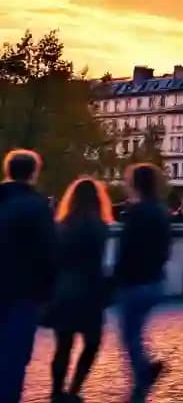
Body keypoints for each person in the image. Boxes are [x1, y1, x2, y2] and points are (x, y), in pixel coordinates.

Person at [45, 177, 111, 403]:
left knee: (63, 346)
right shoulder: (99, 227)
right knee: (91, 343)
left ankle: (56, 391)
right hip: (89, 291)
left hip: (64, 289)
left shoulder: (61, 226)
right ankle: (74, 389)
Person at [0, 149, 56, 403]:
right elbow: (47, 253)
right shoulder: (37, 206)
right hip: (23, 292)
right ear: (33, 173)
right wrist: (47, 293)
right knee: (15, 358)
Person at [112, 163, 171, 403]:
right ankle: (143, 374)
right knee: (135, 331)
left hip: (135, 281)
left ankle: (143, 374)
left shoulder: (136, 213)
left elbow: (126, 250)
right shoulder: (160, 211)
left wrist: (116, 278)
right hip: (155, 280)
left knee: (129, 334)